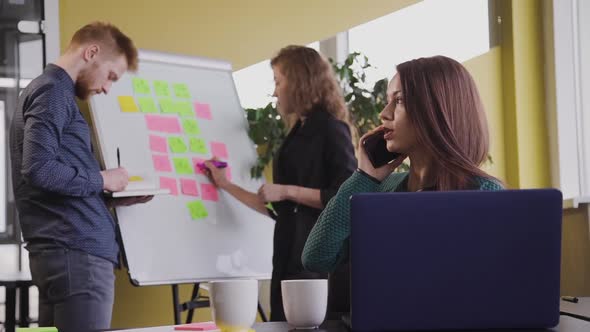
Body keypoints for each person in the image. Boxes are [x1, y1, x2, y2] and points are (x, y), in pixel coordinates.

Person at [302, 55, 504, 301]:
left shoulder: (485, 193)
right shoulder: (380, 187)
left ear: (436, 110)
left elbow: (489, 289)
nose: (384, 114)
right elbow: (316, 258)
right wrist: (364, 177)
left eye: (398, 100)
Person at [10, 22, 152, 331]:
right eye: (111, 76)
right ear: (91, 52)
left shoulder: (48, 91)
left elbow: (51, 179)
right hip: (77, 257)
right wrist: (104, 179)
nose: (106, 88)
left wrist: (109, 197)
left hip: (64, 254)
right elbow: (39, 170)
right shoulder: (52, 91)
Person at [204, 45, 357, 321]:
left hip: (313, 261)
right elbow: (276, 206)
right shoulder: (299, 130)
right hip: (287, 255)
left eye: (278, 81)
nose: (275, 91)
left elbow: (346, 196)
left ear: (300, 81)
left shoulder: (332, 130)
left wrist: (287, 191)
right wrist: (225, 184)